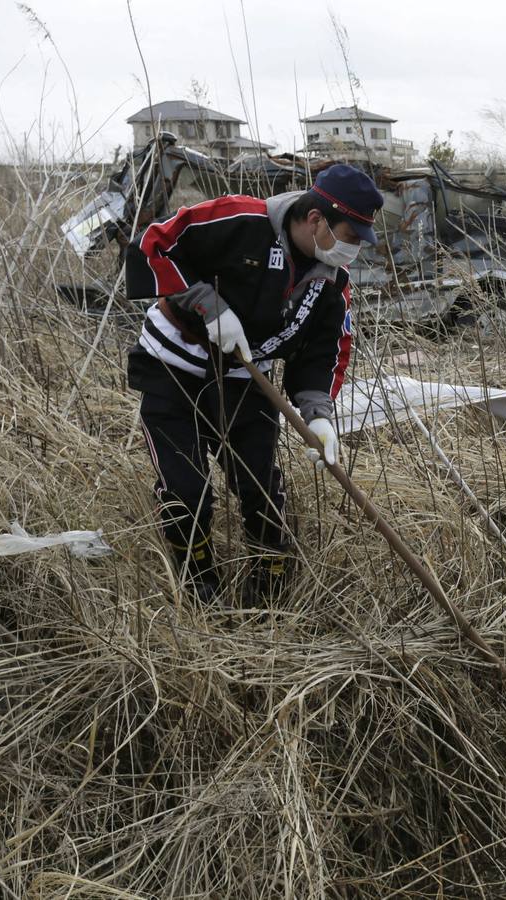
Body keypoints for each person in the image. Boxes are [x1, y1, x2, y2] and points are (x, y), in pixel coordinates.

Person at [124, 164, 384, 605]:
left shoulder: (331, 282)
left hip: (247, 379)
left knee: (261, 489)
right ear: (316, 219)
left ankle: (268, 585)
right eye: (350, 236)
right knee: (187, 490)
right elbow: (156, 247)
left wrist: (319, 416)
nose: (353, 250)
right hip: (173, 368)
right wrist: (208, 305)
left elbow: (324, 351)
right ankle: (198, 582)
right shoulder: (238, 219)